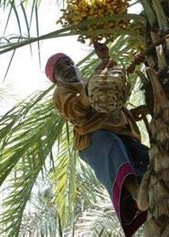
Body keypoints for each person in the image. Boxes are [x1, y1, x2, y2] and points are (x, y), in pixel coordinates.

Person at [45, 42, 150, 236]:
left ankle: (155, 193)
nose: (67, 68)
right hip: (96, 139)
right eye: (60, 68)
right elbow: (76, 109)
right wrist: (91, 88)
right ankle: (136, 193)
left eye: (69, 63)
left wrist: (134, 113)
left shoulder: (89, 85)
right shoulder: (62, 92)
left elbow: (111, 102)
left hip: (121, 135)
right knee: (113, 147)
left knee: (149, 157)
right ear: (56, 80)